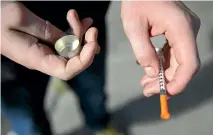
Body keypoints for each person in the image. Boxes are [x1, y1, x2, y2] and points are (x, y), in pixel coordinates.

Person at [1, 1, 201, 135]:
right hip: (8, 50)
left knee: (93, 92)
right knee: (25, 116)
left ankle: (99, 125)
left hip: (87, 19)